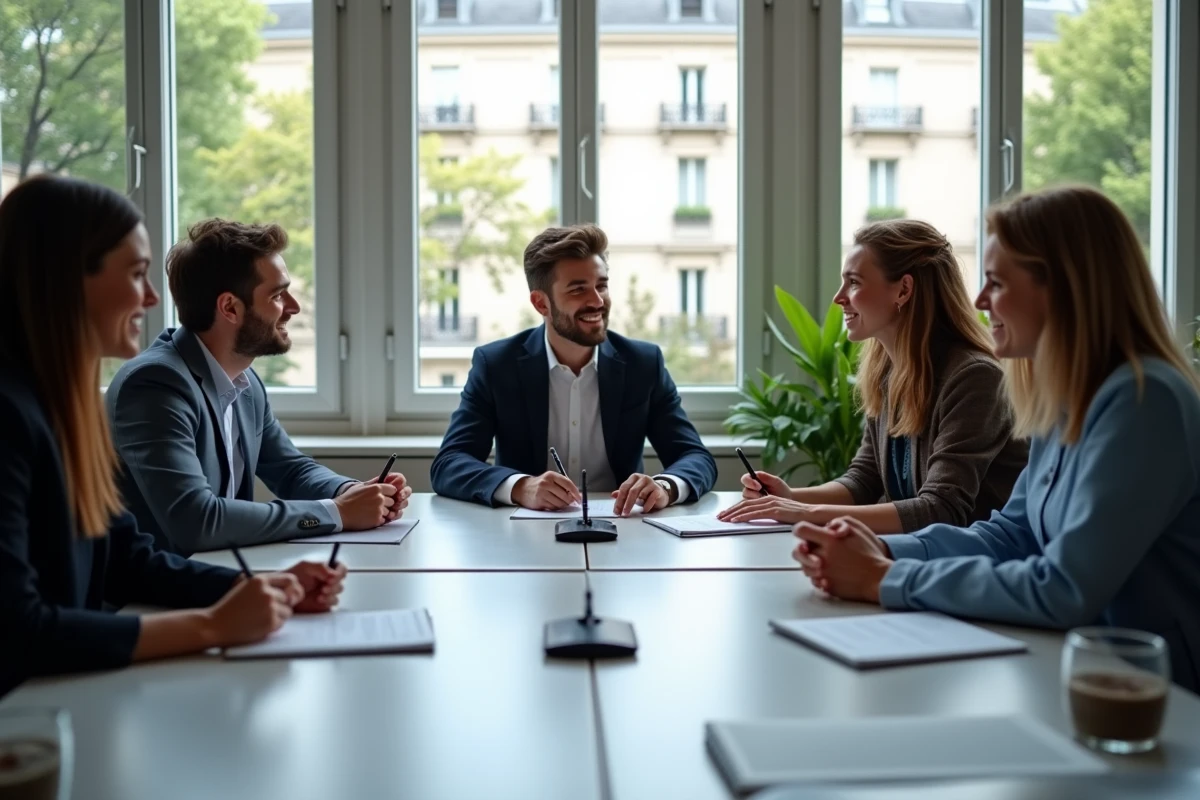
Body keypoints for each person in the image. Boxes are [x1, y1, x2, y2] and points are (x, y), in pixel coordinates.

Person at [794, 186, 1200, 692]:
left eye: (996, 283)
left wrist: (882, 578)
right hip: (1075, 670)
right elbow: (1009, 535)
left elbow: (1064, 588)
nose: (981, 300)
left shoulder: (1145, 400)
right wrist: (881, 548)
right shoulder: (1066, 399)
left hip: (1156, 697)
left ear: (1063, 287)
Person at [0, 176, 346, 697]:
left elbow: (125, 557)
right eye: (136, 274)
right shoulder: (9, 416)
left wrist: (256, 589)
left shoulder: (58, 404)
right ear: (67, 281)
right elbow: (18, 632)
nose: (152, 297)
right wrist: (211, 627)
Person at [106, 219, 412, 556]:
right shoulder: (154, 386)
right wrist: (336, 513)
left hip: (224, 578)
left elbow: (290, 470)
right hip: (155, 598)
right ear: (230, 308)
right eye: (278, 295)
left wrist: (353, 492)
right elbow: (197, 521)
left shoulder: (244, 381)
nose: (293, 307)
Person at [719, 220, 1027, 533]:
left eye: (853, 282)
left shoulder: (974, 378)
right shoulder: (888, 371)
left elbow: (941, 509)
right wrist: (789, 498)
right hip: (919, 556)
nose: (839, 297)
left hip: (972, 567)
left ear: (904, 289)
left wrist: (804, 512)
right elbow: (864, 480)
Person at [430, 223, 717, 512]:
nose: (597, 301)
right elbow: (449, 464)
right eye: (578, 289)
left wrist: (665, 486)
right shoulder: (496, 365)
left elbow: (695, 457)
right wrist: (520, 487)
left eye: (601, 285)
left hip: (625, 530)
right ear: (541, 303)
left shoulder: (643, 363)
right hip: (523, 531)